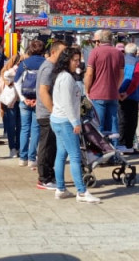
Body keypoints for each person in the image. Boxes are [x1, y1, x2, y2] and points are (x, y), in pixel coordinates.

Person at [49, 46, 101, 203]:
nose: (77, 63)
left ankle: (61, 188)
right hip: (65, 121)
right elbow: (67, 103)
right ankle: (82, 192)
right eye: (75, 60)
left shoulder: (62, 76)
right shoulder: (66, 78)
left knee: (61, 154)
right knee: (75, 156)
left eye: (79, 60)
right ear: (67, 60)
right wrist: (75, 122)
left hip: (58, 119)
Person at [83, 30, 124, 143]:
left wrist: (87, 89)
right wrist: (116, 87)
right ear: (111, 39)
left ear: (100, 40)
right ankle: (114, 151)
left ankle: (101, 150)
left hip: (97, 92)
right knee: (113, 123)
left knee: (98, 124)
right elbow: (121, 75)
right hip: (113, 93)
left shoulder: (95, 52)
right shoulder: (119, 53)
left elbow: (89, 74)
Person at [34, 40, 64, 189]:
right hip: (47, 113)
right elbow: (43, 90)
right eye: (62, 52)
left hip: (49, 112)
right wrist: (53, 111)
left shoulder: (53, 67)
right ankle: (44, 179)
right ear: (53, 52)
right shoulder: (48, 68)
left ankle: (49, 176)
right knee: (46, 146)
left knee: (51, 147)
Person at [15, 38, 46, 167]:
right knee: (36, 129)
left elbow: (17, 83)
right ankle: (32, 158)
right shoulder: (46, 63)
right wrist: (38, 99)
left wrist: (23, 99)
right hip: (39, 100)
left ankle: (23, 157)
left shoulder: (24, 63)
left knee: (24, 128)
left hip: (25, 100)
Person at [118, 43, 139, 156]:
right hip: (132, 96)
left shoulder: (121, 60)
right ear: (135, 52)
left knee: (121, 120)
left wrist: (118, 92)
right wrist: (128, 93)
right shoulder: (138, 62)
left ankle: (120, 144)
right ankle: (128, 146)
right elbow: (136, 79)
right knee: (131, 121)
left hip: (119, 94)